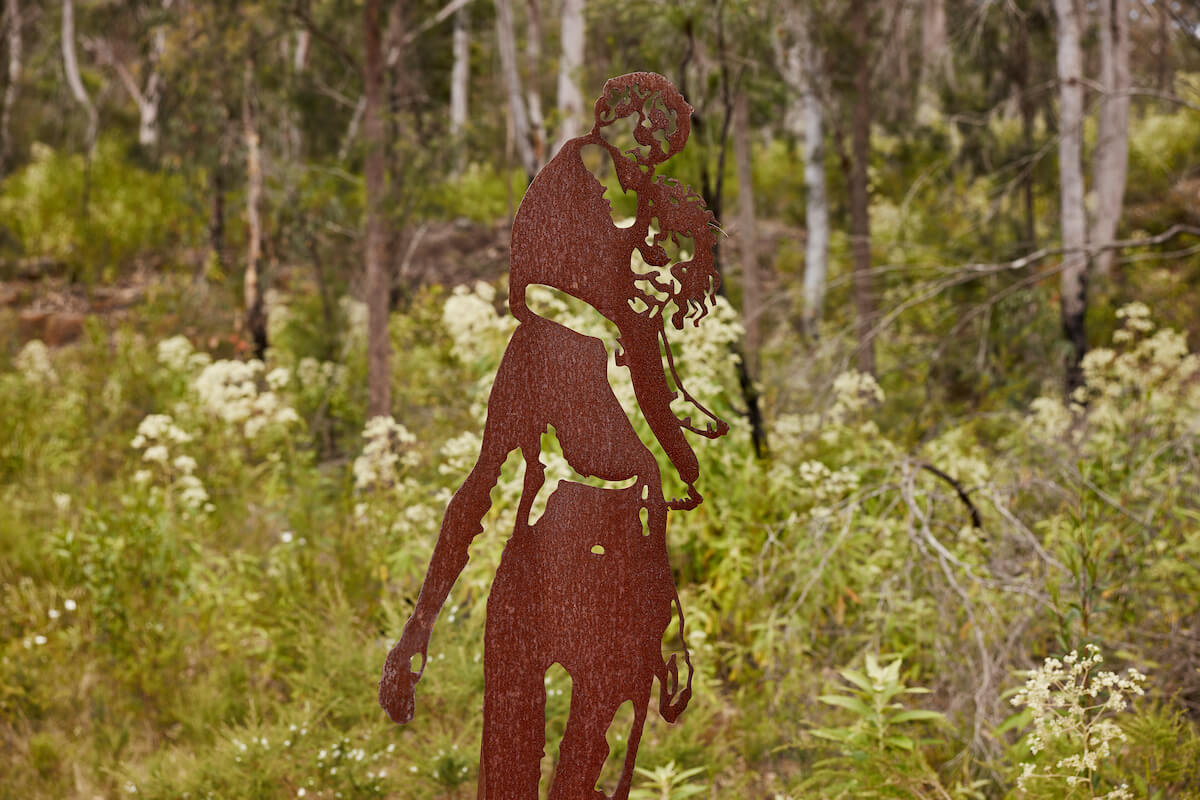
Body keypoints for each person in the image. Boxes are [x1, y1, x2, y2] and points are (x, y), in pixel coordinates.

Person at [379, 72, 727, 800]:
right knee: (515, 756)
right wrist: (420, 626)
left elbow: (658, 423)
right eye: (643, 134)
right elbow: (480, 485)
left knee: (590, 758)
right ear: (611, 119)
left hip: (617, 547)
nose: (649, 157)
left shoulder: (620, 329)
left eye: (664, 148)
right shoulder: (549, 339)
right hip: (554, 547)